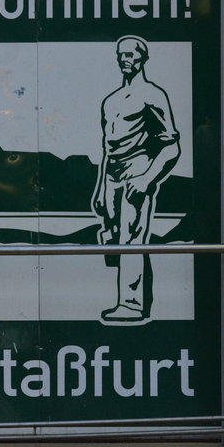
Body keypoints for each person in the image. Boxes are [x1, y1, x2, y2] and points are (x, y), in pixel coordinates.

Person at [91, 36, 180, 324]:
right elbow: (107, 149)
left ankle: (131, 304)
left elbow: (171, 146)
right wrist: (101, 188)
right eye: (120, 54)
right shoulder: (111, 100)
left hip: (137, 172)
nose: (124, 58)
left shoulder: (153, 95)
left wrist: (146, 178)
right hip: (112, 176)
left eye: (130, 54)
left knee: (132, 239)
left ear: (142, 58)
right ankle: (124, 299)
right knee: (114, 238)